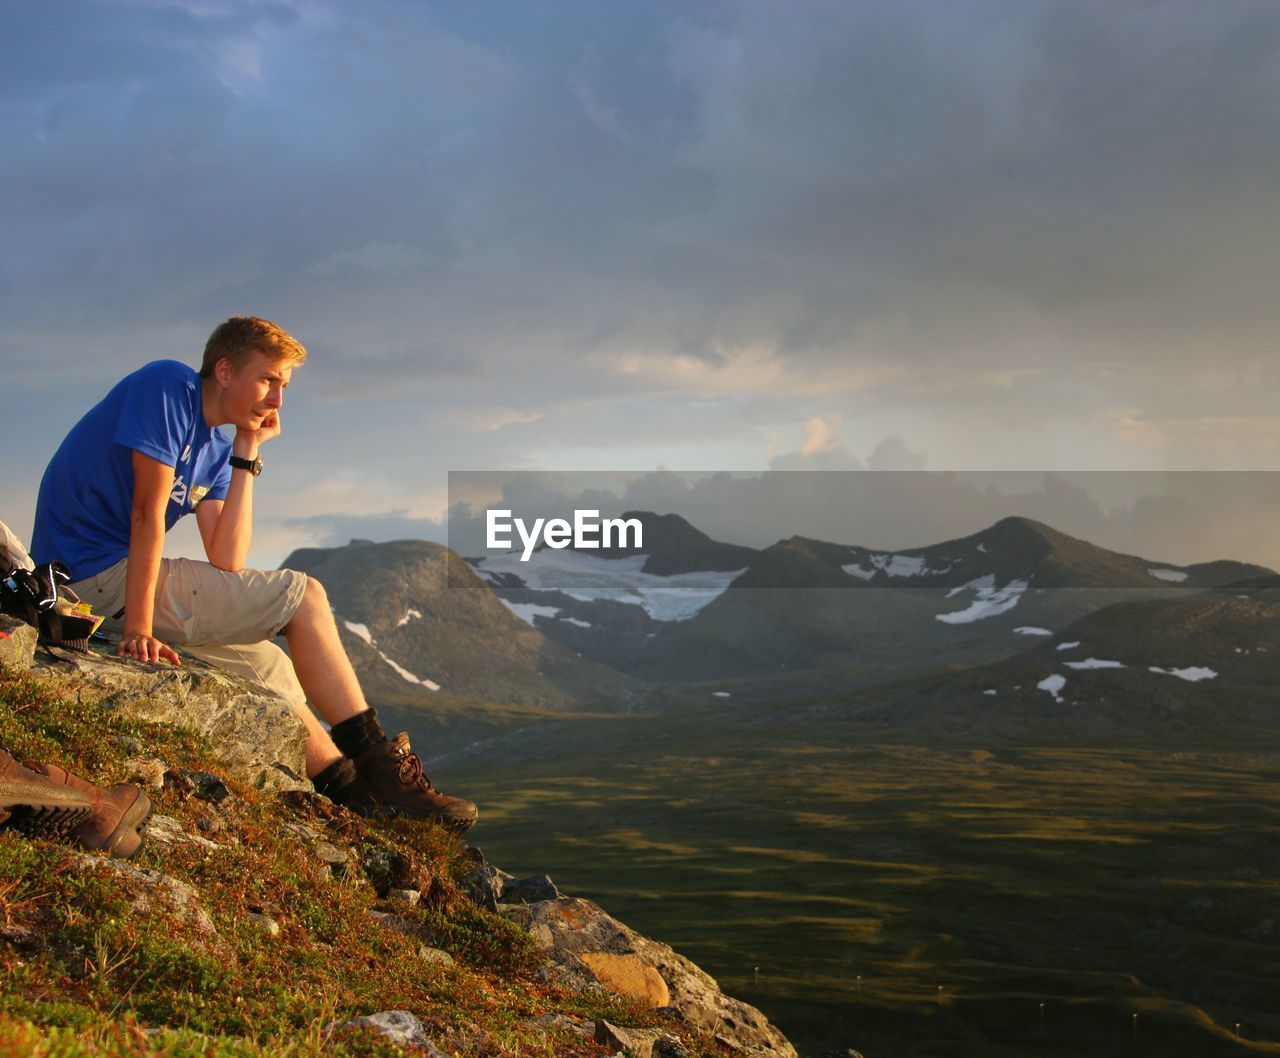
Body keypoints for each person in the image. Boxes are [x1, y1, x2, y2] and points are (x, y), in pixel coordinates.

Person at [29, 316, 476, 831]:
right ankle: (380, 765)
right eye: (268, 380)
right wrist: (139, 632)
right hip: (83, 576)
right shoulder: (166, 389)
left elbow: (226, 556)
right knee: (304, 595)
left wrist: (247, 452)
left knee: (271, 671)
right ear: (224, 369)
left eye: (285, 386)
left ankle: (348, 792)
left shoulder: (219, 446)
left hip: (113, 579)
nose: (278, 400)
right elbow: (146, 515)